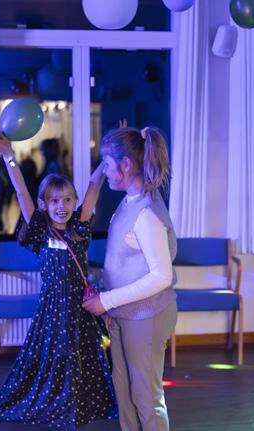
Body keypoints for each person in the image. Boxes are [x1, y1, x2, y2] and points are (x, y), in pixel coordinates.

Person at [0, 134, 117, 430]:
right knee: (33, 362)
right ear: (44, 204)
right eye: (54, 200)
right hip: (52, 310)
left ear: (74, 202)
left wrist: (107, 156)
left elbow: (94, 185)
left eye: (67, 199)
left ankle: (75, 413)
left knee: (83, 361)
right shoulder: (41, 229)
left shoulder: (79, 227)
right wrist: (8, 156)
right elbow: (21, 192)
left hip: (80, 309)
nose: (61, 206)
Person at [82, 125, 177, 431]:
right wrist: (111, 306)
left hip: (146, 317)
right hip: (123, 314)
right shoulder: (130, 200)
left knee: (146, 397)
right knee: (124, 392)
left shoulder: (147, 213)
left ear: (126, 164)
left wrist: (107, 300)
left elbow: (161, 276)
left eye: (107, 163)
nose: (104, 171)